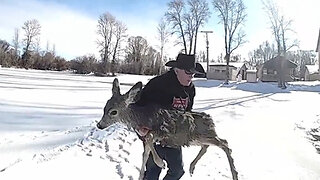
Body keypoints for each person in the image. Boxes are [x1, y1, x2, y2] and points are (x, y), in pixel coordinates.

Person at [134, 53, 203, 180]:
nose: (191, 77)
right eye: (188, 72)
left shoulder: (190, 89)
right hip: (154, 137)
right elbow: (137, 108)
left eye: (193, 73)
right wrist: (139, 129)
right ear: (177, 70)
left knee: (177, 172)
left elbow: (187, 112)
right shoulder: (157, 84)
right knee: (152, 173)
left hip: (174, 138)